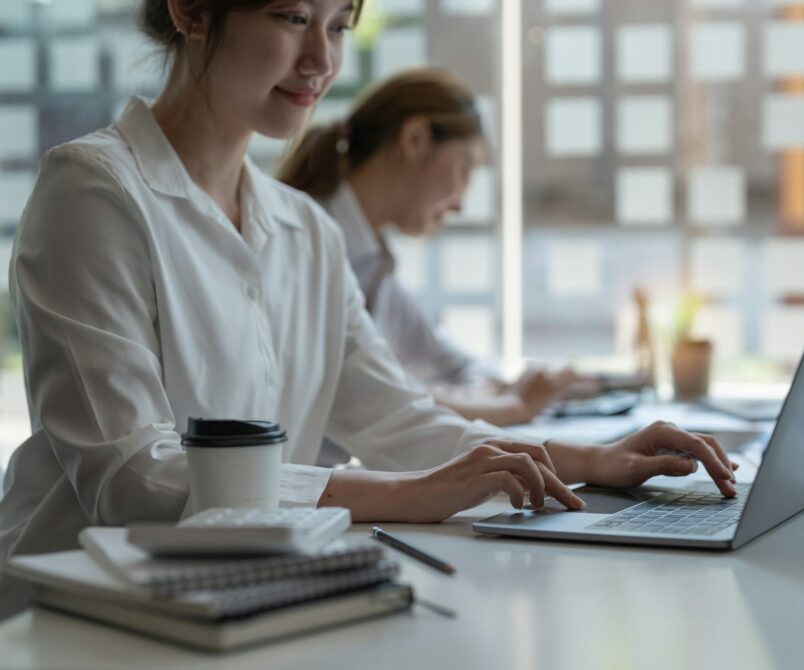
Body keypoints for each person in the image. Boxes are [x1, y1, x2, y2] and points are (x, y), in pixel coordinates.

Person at [0, 0, 736, 618]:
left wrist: (592, 460)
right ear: (191, 11)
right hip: (70, 619)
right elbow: (133, 477)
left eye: (338, 25)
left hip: (235, 604)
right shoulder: (93, 191)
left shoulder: (306, 230)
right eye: (293, 17)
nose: (321, 60)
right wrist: (409, 495)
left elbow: (399, 417)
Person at [278, 68, 575, 427]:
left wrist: (485, 392)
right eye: (464, 170)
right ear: (416, 139)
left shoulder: (374, 264)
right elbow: (377, 398)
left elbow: (452, 363)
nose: (459, 205)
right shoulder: (306, 244)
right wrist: (514, 406)